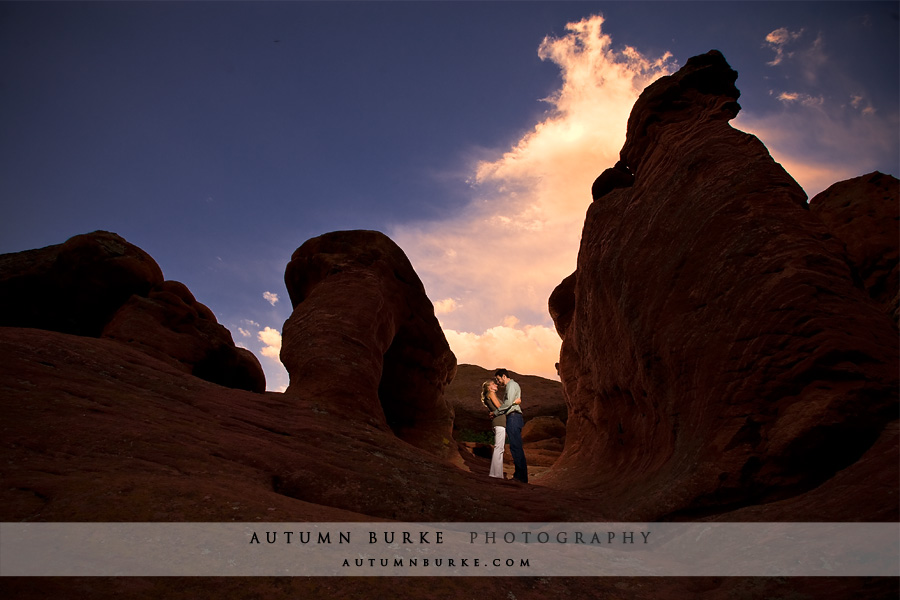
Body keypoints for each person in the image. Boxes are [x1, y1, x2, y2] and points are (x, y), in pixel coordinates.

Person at [494, 368, 528, 483]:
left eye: (498, 379)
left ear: (504, 376)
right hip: (513, 417)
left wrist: (496, 413)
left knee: (515, 447)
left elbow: (508, 403)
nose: (498, 382)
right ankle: (520, 475)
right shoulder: (512, 386)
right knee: (515, 446)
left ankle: (520, 477)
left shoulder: (511, 385)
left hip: (513, 417)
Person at [480, 380, 506, 478]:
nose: (496, 385)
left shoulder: (489, 395)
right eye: (493, 384)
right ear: (489, 387)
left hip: (499, 422)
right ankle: (495, 474)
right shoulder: (491, 393)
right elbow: (499, 406)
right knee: (499, 448)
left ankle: (497, 473)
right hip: (499, 422)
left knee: (499, 448)